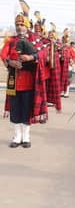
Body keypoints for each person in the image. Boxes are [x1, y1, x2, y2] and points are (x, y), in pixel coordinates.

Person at [0, 13, 48, 148]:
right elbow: (3, 54)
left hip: (29, 81)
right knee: (15, 109)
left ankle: (26, 137)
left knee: (26, 109)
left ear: (27, 26)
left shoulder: (35, 39)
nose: (19, 27)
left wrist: (31, 57)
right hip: (14, 81)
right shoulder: (11, 40)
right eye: (17, 25)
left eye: (22, 25)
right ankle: (16, 137)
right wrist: (10, 62)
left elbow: (43, 53)